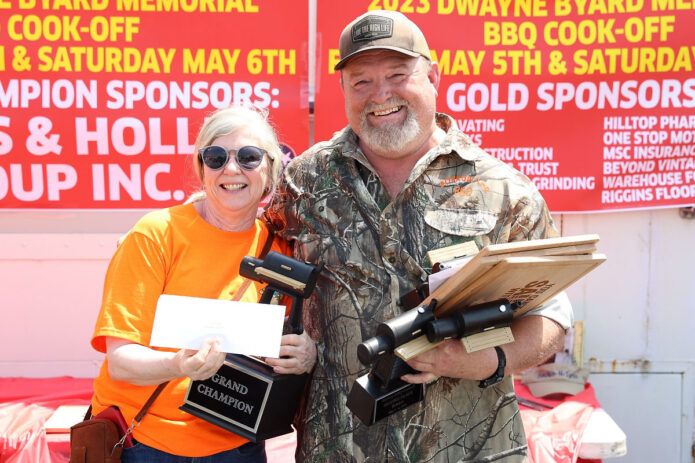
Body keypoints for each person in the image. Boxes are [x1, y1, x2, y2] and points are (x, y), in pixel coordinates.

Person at [265, 10, 573, 463]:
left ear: (433, 76)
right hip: (338, 449)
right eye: (361, 81)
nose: (380, 95)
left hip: (471, 449)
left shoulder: (503, 190)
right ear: (344, 90)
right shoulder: (304, 182)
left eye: (397, 74)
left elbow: (550, 316)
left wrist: (480, 360)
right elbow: (248, 261)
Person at [89, 105, 317, 462]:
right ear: (201, 168)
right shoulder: (156, 234)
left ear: (270, 168)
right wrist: (178, 365)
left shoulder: (284, 249)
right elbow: (120, 361)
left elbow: (292, 342)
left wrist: (305, 353)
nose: (231, 169)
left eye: (248, 157)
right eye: (215, 157)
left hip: (240, 446)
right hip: (147, 443)